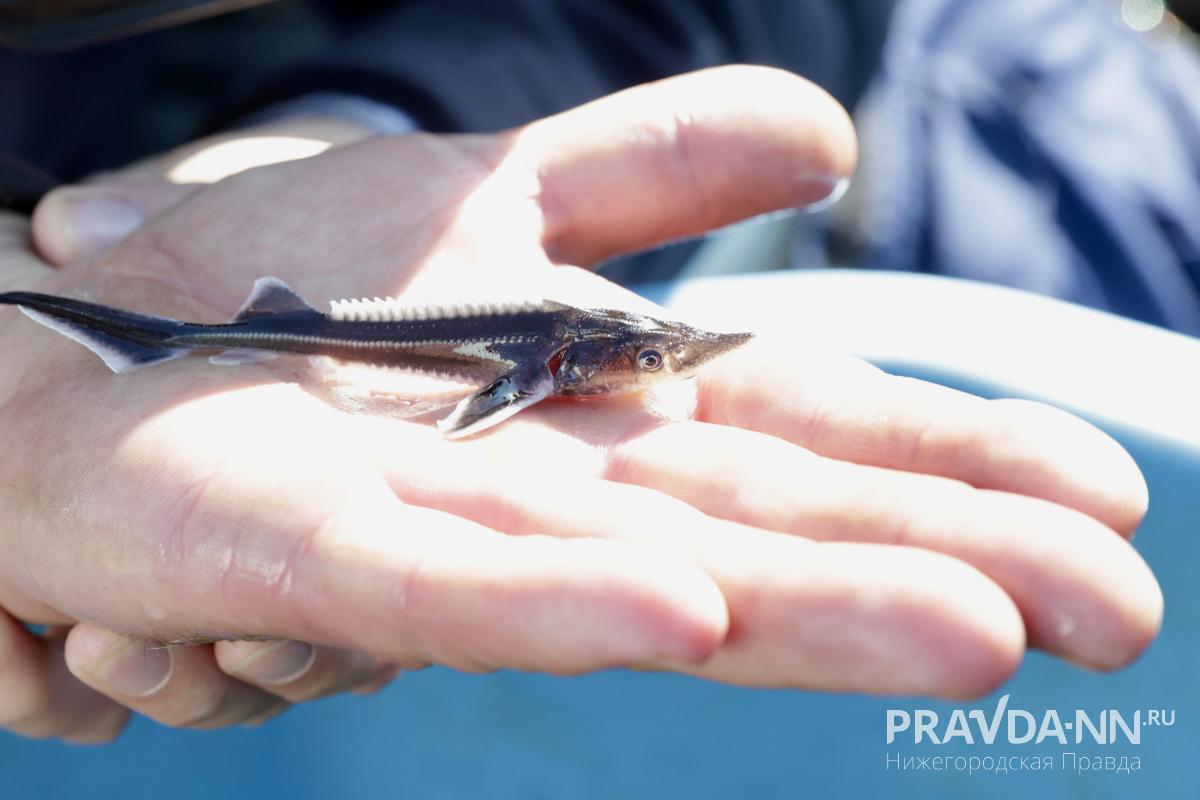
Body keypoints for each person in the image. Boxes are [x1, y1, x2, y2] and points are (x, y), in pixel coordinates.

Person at [0, 6, 1164, 743]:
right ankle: (132, 331)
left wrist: (350, 129)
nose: (652, 375)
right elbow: (492, 398)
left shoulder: (561, 343)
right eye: (643, 360)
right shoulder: (536, 362)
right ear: (577, 361)